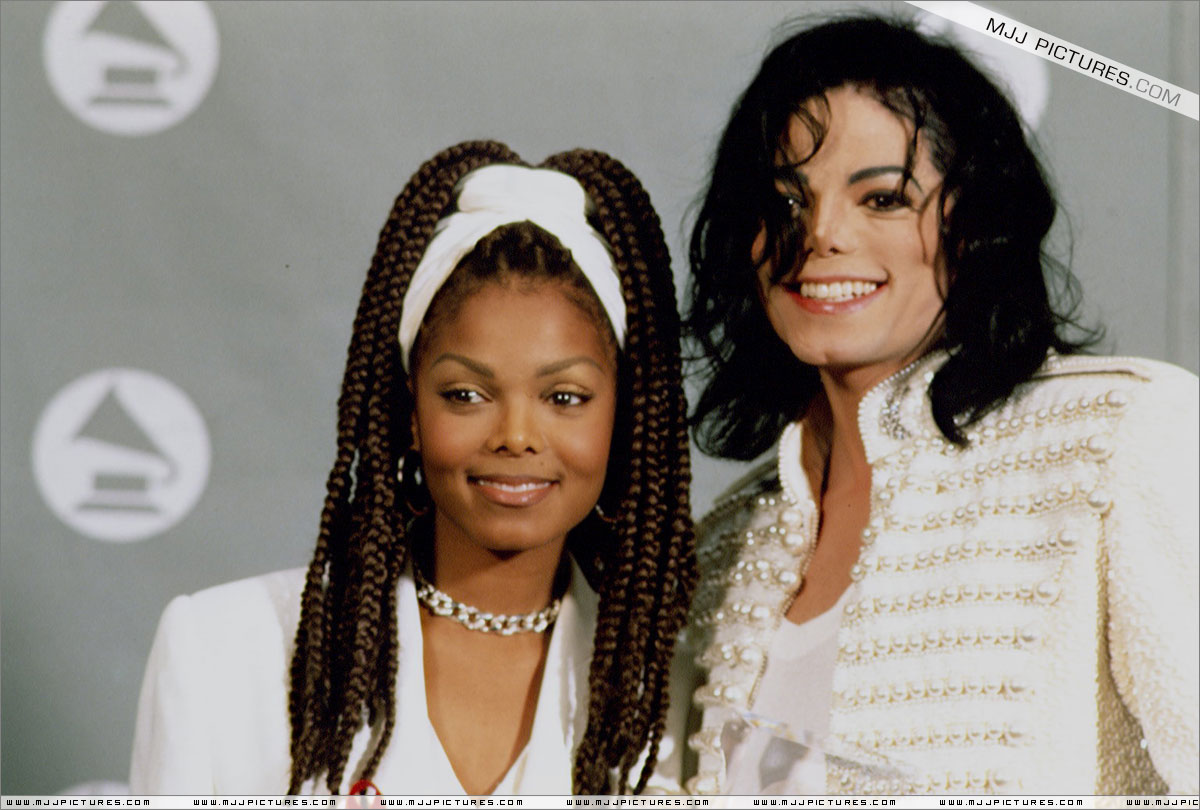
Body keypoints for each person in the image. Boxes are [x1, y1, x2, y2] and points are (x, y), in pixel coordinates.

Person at [679, 14, 1198, 796]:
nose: (820, 233)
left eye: (883, 198)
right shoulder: (724, 546)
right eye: (785, 201)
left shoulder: (1121, 440)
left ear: (975, 224)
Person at [130, 141, 695, 795]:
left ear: (623, 418)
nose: (516, 436)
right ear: (411, 414)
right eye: (466, 394)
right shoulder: (223, 649)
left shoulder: (674, 689)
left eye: (564, 398)